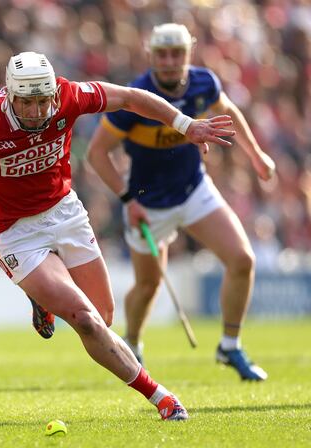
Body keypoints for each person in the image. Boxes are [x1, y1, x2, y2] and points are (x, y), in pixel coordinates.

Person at [0, 51, 238, 421]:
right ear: (11, 97)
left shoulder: (69, 96)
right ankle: (162, 397)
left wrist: (186, 124)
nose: (37, 112)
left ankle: (42, 300)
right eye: (27, 103)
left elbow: (130, 97)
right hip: (12, 232)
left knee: (103, 315)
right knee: (87, 320)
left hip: (64, 211)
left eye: (44, 101)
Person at [86, 23, 274, 381]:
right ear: (151, 56)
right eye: (162, 54)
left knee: (242, 259)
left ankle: (230, 346)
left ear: (189, 54)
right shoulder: (136, 96)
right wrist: (127, 199)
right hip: (148, 203)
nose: (170, 62)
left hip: (193, 191)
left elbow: (229, 111)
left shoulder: (204, 83)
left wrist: (256, 155)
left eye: (177, 54)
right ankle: (134, 344)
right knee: (148, 286)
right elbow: (96, 154)